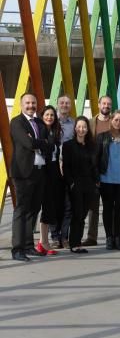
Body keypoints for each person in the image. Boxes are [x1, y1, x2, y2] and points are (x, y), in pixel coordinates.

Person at [10, 93, 49, 261]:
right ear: (21, 105)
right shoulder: (17, 122)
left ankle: (28, 246)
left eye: (33, 102)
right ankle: (17, 249)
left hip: (39, 172)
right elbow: (28, 144)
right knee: (21, 210)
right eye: (27, 103)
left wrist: (39, 143)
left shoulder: (40, 122)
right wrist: (40, 143)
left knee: (33, 210)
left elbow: (51, 143)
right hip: (23, 173)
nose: (31, 105)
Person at [96, 111, 120, 250]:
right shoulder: (102, 137)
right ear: (111, 120)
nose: (118, 122)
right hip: (106, 178)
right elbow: (96, 158)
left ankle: (117, 238)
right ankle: (109, 237)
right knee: (107, 208)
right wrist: (96, 177)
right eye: (116, 119)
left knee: (119, 209)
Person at [62, 116, 99, 254]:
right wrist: (70, 183)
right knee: (77, 214)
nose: (81, 129)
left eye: (84, 127)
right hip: (75, 184)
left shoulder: (92, 146)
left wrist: (96, 182)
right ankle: (74, 243)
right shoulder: (68, 146)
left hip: (89, 184)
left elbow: (95, 166)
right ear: (75, 128)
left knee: (83, 214)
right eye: (79, 126)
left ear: (87, 129)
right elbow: (66, 167)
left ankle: (77, 241)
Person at [82, 95, 112, 247]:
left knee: (109, 206)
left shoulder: (116, 122)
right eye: (104, 103)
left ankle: (111, 236)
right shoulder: (90, 122)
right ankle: (91, 237)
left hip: (111, 170)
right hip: (93, 170)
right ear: (99, 104)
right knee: (93, 206)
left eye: (109, 104)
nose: (106, 106)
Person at [36, 105, 63, 256]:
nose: (49, 117)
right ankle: (42, 242)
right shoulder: (41, 131)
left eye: (52, 115)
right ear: (42, 116)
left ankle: (43, 242)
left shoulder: (54, 131)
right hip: (44, 170)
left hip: (54, 170)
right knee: (46, 206)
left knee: (50, 206)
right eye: (47, 114)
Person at [49, 94, 75, 250]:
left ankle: (64, 237)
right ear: (57, 104)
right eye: (62, 103)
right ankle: (54, 236)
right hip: (52, 169)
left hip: (69, 169)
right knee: (53, 204)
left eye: (67, 103)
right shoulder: (51, 122)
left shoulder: (74, 124)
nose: (64, 105)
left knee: (68, 205)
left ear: (70, 106)